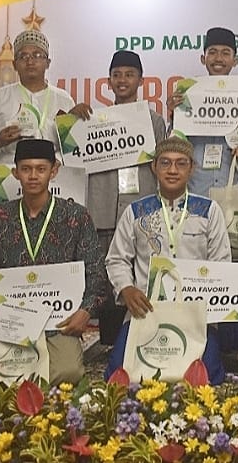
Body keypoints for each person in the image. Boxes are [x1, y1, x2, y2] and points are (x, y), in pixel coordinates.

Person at [0, 139, 107, 385]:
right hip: (7, 321)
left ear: (54, 171)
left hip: (57, 324)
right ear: (15, 173)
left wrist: (85, 312)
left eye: (41, 169)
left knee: (69, 372)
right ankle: (23, 378)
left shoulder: (76, 216)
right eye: (26, 169)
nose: (33, 176)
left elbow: (96, 273)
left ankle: (10, 379)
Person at [167, 26, 238, 352]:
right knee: (201, 266)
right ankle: (200, 336)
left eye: (225, 53)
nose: (218, 58)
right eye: (212, 52)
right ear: (203, 58)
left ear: (235, 60)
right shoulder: (189, 96)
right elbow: (175, 145)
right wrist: (174, 114)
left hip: (234, 193)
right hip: (197, 194)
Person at [105, 136, 232, 383]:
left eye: (181, 163)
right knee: (120, 373)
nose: (172, 170)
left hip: (194, 313)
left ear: (192, 168)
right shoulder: (136, 212)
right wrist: (127, 289)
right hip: (146, 311)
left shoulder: (209, 211)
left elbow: (221, 264)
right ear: (154, 167)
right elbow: (116, 259)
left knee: (207, 375)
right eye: (165, 163)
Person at [86, 50, 167, 343]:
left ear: (141, 80)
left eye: (129, 74)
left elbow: (163, 163)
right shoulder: (92, 121)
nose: (123, 80)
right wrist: (70, 120)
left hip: (141, 211)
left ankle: (140, 338)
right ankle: (110, 341)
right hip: (104, 209)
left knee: (140, 274)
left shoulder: (155, 121)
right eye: (117, 75)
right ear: (108, 81)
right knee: (107, 278)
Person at [0, 28, 83, 163]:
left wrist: (57, 161)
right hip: (9, 173)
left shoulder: (63, 99)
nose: (30, 61)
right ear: (14, 64)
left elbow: (73, 146)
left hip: (54, 173)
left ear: (48, 63)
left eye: (37, 55)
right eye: (23, 56)